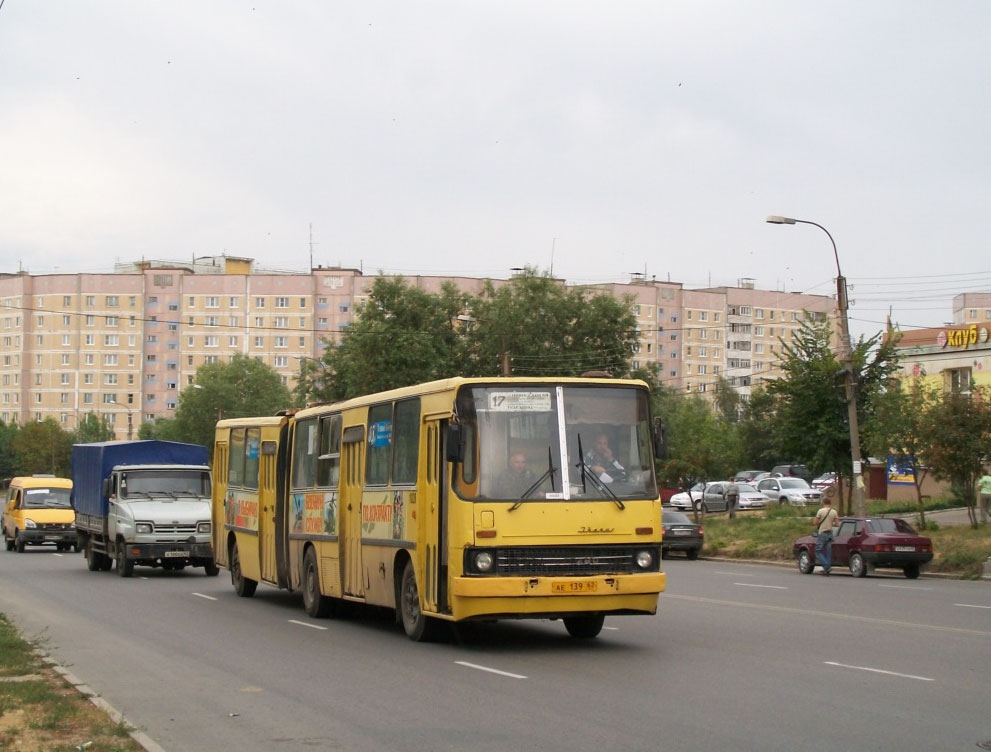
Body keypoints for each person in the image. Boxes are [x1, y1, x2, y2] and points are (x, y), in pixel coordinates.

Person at [812, 496, 839, 575]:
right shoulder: (834, 511)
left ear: (823, 503)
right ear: (830, 503)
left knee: (818, 550)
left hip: (822, 532)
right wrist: (830, 523)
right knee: (828, 551)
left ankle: (826, 566)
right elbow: (837, 524)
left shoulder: (820, 511)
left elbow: (815, 522)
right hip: (830, 533)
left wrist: (821, 522)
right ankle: (827, 568)